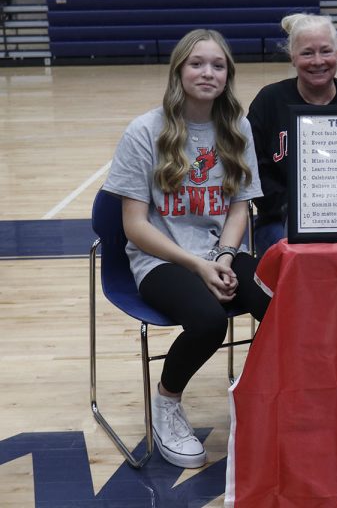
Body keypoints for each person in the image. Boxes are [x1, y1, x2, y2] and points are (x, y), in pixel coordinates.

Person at [101, 29, 269, 469]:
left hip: (218, 253)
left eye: (217, 65)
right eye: (197, 63)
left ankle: (272, 400)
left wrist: (225, 257)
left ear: (228, 74)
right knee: (208, 321)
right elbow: (134, 226)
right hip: (160, 259)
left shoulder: (237, 128)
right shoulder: (145, 131)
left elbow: (239, 208)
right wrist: (197, 264)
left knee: (280, 302)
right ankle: (167, 404)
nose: (207, 72)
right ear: (179, 70)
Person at [248, 13, 337, 254]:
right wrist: (293, 208)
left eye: (326, 51)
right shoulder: (269, 101)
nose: (317, 61)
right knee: (295, 254)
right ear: (292, 57)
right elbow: (253, 170)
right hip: (281, 219)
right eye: (307, 53)